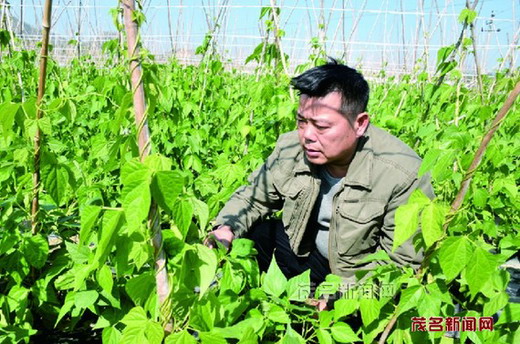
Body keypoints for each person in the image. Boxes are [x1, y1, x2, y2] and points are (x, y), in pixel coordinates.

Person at [206, 60, 434, 290]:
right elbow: (253, 198)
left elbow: (401, 262)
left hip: (355, 277)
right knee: (252, 237)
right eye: (301, 121)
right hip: (306, 255)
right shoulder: (291, 148)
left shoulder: (402, 173)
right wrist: (226, 228)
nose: (307, 135)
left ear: (360, 123)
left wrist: (343, 298)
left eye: (322, 126)